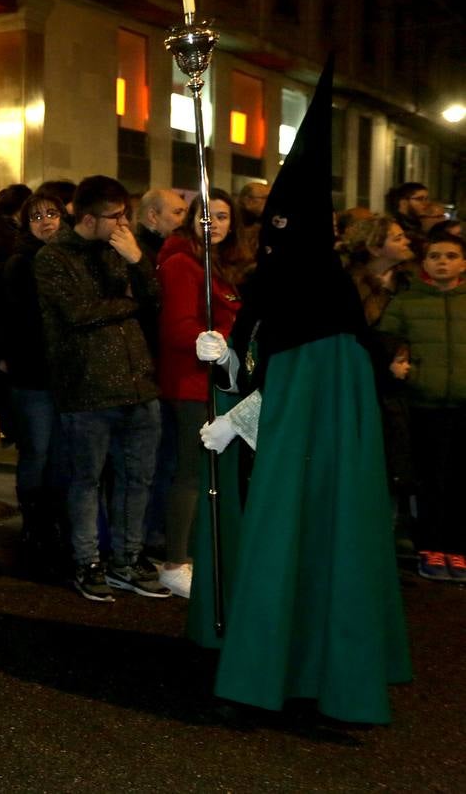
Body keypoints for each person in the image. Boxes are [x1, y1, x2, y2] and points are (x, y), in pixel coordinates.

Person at [190, 59, 410, 724]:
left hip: (305, 467)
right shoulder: (268, 285)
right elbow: (257, 368)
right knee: (270, 557)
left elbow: (308, 390)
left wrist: (240, 421)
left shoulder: (325, 296)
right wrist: (224, 361)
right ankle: (260, 666)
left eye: (284, 225)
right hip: (269, 458)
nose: (271, 236)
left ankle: (288, 678)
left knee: (300, 558)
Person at [34, 175, 166, 602]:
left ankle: (127, 559)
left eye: (125, 213)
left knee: (137, 479)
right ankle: (87, 562)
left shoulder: (123, 251)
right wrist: (130, 303)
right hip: (88, 387)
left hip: (138, 383)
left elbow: (156, 299)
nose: (123, 222)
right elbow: (77, 313)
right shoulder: (54, 257)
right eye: (115, 216)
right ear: (89, 218)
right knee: (85, 481)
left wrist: (137, 261)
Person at [153, 190, 247, 598]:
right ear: (192, 218)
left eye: (224, 216)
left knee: (211, 471)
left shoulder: (226, 265)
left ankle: (197, 551)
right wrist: (221, 342)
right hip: (191, 382)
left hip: (223, 380)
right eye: (208, 215)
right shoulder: (182, 264)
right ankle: (176, 560)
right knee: (190, 472)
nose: (216, 223)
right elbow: (177, 327)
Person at [377, 229, 466, 581]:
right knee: (428, 480)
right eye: (435, 256)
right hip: (422, 405)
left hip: (462, 405)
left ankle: (457, 548)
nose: (442, 262)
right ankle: (428, 547)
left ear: (463, 262)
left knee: (461, 480)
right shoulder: (407, 300)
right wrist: (402, 365)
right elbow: (386, 341)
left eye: (450, 256)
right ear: (425, 262)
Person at [0, 191, 65, 574]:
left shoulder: (69, 258)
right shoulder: (19, 263)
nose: (46, 221)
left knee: (58, 454)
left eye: (52, 213)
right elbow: (17, 319)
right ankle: (33, 523)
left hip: (63, 375)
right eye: (37, 216)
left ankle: (52, 520)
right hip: (32, 374)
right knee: (37, 451)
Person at [345, 216, 415, 325]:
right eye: (398, 239)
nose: (407, 241)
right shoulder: (355, 282)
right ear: (375, 249)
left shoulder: (408, 277)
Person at [134, 188, 188, 271]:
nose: (185, 220)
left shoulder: (176, 249)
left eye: (186, 213)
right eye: (177, 213)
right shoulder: (134, 253)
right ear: (153, 216)